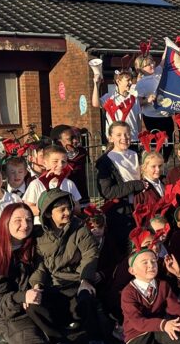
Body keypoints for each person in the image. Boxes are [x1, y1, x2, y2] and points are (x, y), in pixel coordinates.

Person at [0, 204, 66, 344]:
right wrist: (22, 297)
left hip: (37, 300)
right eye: (18, 220)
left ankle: (44, 329)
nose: (25, 225)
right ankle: (5, 334)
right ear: (5, 222)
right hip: (11, 312)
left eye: (29, 220)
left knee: (75, 313)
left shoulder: (37, 238)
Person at [30, 190, 108, 344]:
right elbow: (40, 265)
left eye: (68, 208)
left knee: (86, 297)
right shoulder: (40, 236)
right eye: (61, 210)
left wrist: (85, 279)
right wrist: (36, 285)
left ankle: (96, 339)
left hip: (76, 280)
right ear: (49, 213)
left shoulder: (79, 228)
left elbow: (90, 253)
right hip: (54, 284)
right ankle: (59, 343)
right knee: (33, 305)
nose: (67, 212)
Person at [95, 121, 147, 256]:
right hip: (121, 214)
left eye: (127, 134)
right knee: (125, 252)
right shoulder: (105, 161)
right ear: (110, 138)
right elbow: (108, 192)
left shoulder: (138, 154)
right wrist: (136, 184)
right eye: (119, 135)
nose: (124, 138)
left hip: (141, 209)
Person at [23, 145, 83, 221]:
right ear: (45, 163)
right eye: (55, 161)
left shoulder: (69, 184)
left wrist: (66, 209)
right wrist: (51, 211)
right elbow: (28, 208)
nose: (60, 165)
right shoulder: (36, 184)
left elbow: (77, 208)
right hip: (42, 227)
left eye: (63, 162)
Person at [96, 69, 142, 141]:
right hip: (115, 140)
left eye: (131, 80)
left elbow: (138, 121)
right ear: (118, 81)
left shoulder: (134, 99)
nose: (130, 82)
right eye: (128, 80)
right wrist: (96, 85)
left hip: (132, 139)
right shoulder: (109, 97)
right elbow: (95, 103)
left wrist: (139, 136)